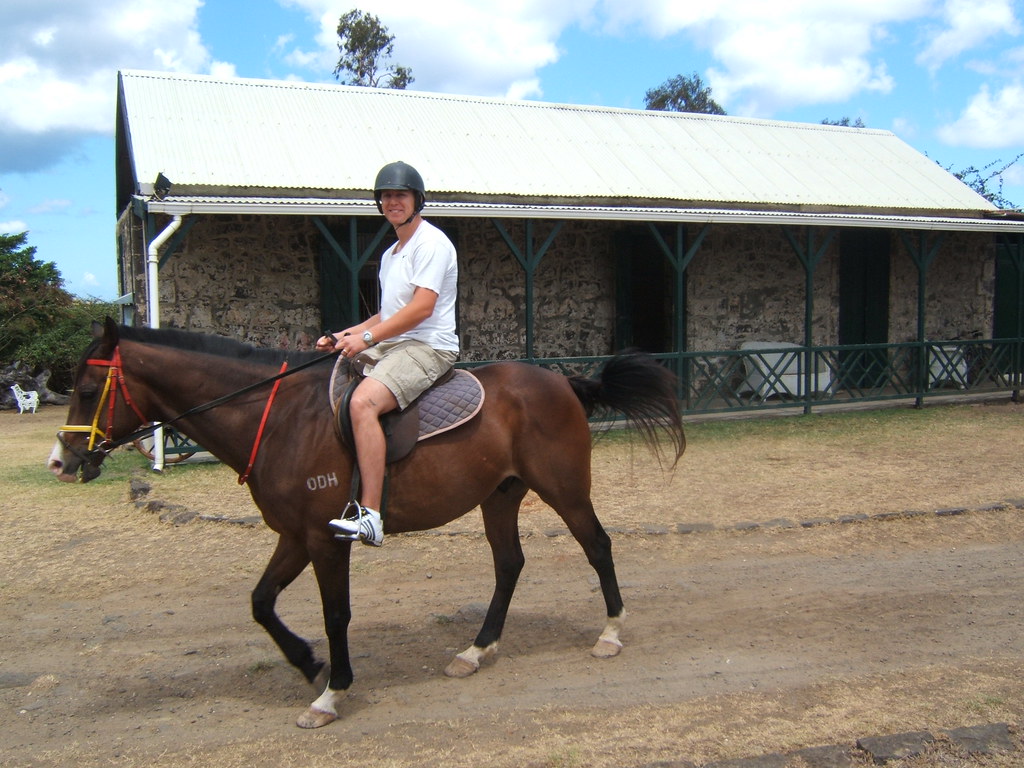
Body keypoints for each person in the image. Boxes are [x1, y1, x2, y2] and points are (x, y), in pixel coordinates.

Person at [316, 161, 459, 546]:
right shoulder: (393, 252)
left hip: (428, 346)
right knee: (329, 373)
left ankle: (371, 516)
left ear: (417, 200)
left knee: (362, 403)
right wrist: (346, 334)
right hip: (397, 341)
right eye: (386, 196)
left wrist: (366, 338)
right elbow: (391, 313)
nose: (392, 201)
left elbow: (420, 309)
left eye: (401, 195)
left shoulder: (431, 244)